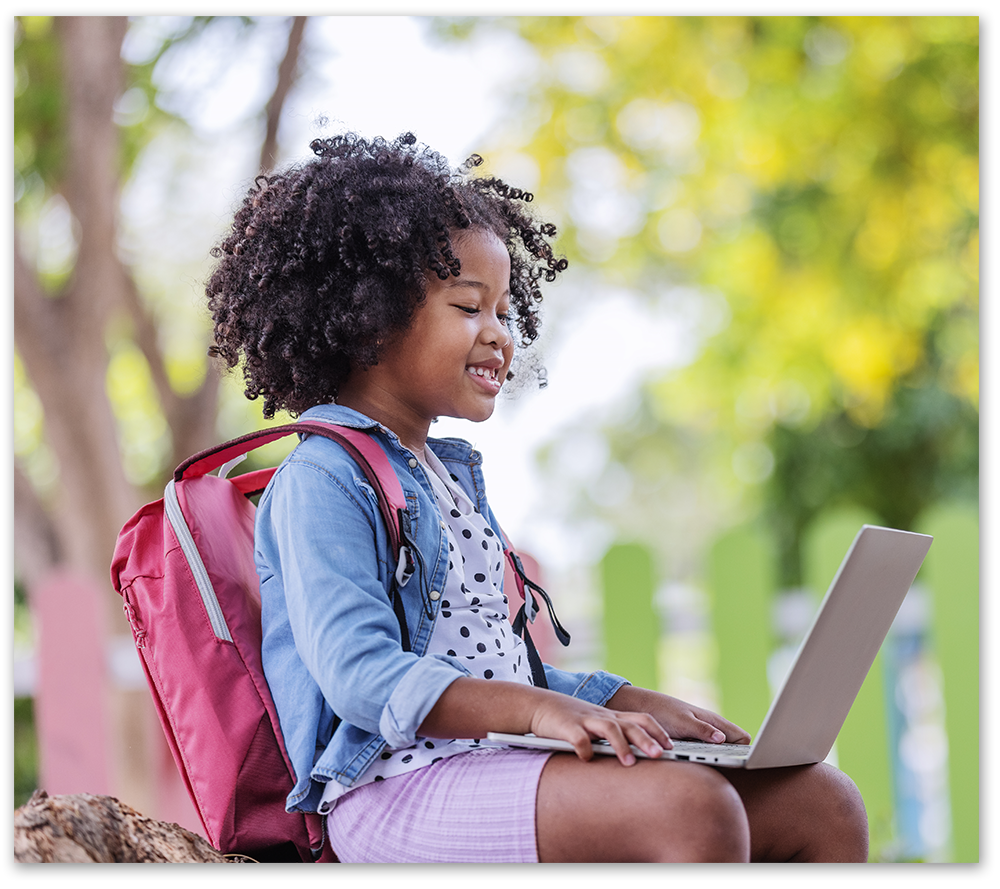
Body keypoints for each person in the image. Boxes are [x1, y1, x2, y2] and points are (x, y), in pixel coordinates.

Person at [205, 132, 869, 863]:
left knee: (822, 801)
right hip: (390, 787)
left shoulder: (447, 476)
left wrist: (629, 702)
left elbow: (495, 669)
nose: (500, 336)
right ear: (370, 316)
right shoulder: (324, 478)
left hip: (492, 758)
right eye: (469, 307)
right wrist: (545, 712)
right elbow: (363, 676)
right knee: (690, 809)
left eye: (503, 311)